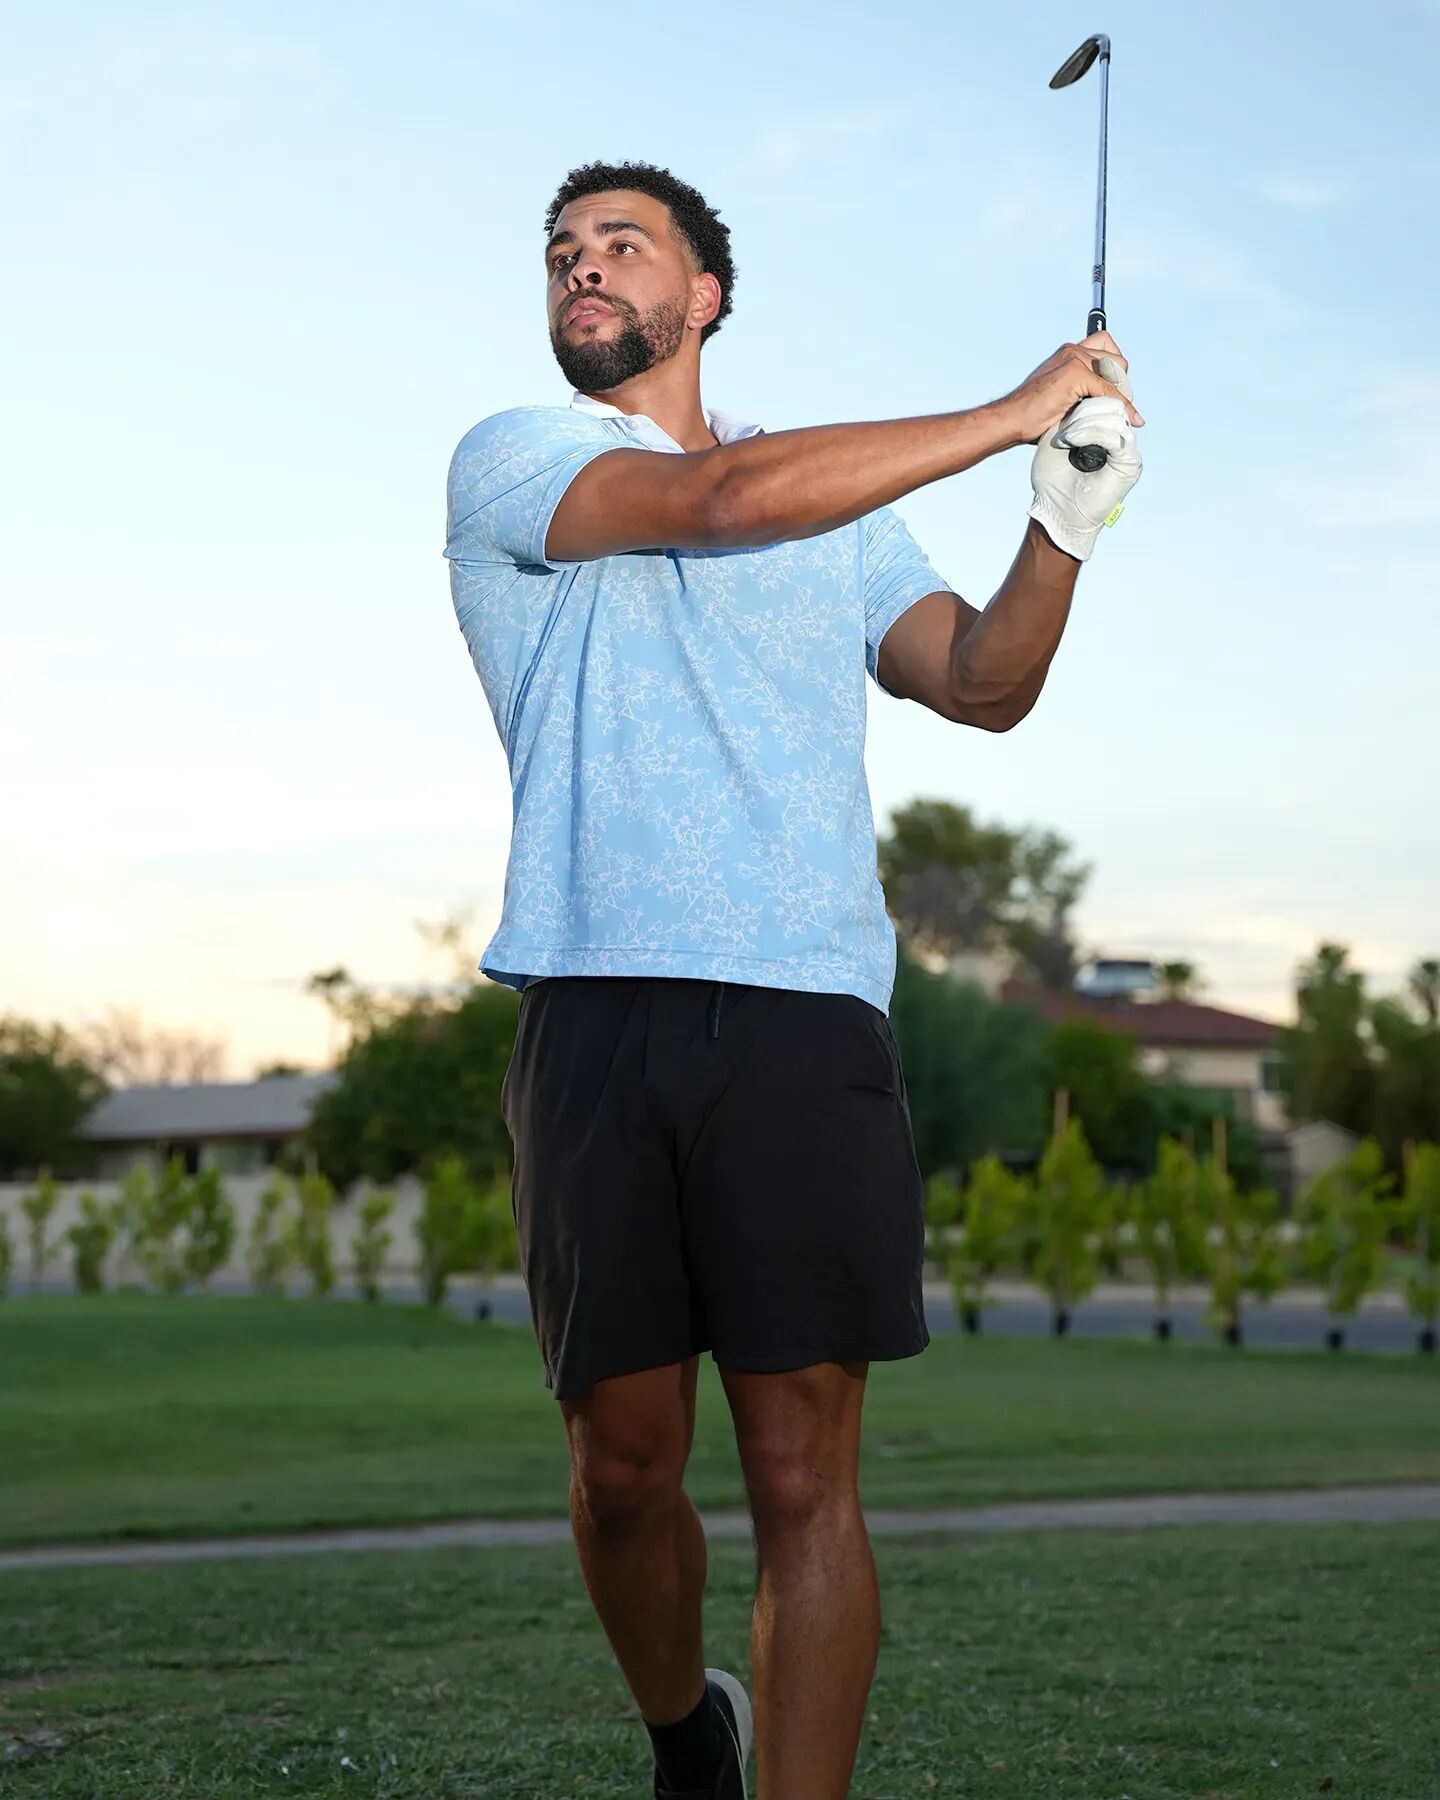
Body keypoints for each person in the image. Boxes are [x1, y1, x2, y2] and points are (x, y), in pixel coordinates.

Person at [444, 158, 1142, 1800]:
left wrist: (1062, 519)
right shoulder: (519, 458)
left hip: (802, 1016)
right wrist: (1009, 411)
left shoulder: (844, 513)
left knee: (803, 1471)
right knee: (622, 1469)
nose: (581, 267)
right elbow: (718, 501)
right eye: (563, 251)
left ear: (704, 297)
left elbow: (981, 682)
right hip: (594, 1005)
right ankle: (687, 1732)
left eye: (623, 245)